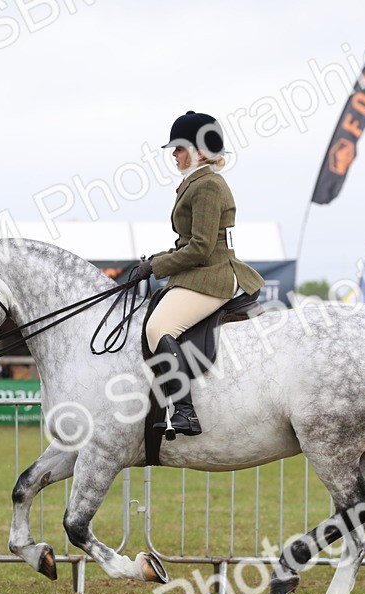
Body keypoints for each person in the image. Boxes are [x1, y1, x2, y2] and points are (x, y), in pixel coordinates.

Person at [128, 111, 265, 437]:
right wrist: (155, 259)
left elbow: (201, 248)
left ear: (200, 151)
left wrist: (157, 267)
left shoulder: (208, 186)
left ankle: (185, 411)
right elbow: (187, 243)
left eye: (179, 148)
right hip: (200, 271)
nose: (173, 154)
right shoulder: (196, 183)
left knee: (159, 326)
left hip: (212, 273)